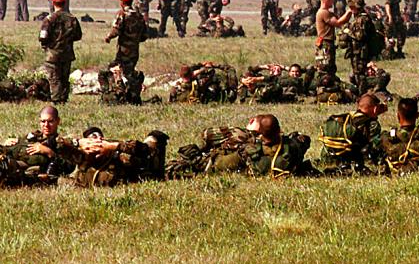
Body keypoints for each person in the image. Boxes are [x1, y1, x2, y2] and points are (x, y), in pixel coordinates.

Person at [167, 114, 312, 179]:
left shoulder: (249, 150)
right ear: (279, 130)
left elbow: (219, 165)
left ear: (260, 132)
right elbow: (305, 140)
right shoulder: (293, 146)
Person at [56, 127, 169, 187]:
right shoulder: (81, 157)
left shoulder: (117, 156)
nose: (97, 142)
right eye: (92, 139)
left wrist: (114, 146)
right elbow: (57, 144)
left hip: (147, 169)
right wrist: (78, 142)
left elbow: (144, 150)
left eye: (100, 139)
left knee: (154, 140)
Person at [0, 106, 76, 186]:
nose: (46, 125)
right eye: (43, 121)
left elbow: (69, 167)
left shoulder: (62, 143)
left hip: (23, 171)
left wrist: (49, 152)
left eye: (50, 121)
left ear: (58, 121)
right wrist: (8, 144)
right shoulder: (33, 136)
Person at [317, 93, 386, 175]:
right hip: (351, 161)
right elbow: (374, 146)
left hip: (327, 159)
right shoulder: (372, 124)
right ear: (375, 109)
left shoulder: (344, 119)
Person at [102, 0, 148, 105]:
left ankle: (121, 96)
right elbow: (144, 35)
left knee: (116, 70)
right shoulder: (139, 15)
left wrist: (108, 37)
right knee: (129, 71)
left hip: (123, 50)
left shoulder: (122, 14)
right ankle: (132, 95)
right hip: (135, 50)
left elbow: (116, 29)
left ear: (122, 2)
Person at [38, 0, 82, 103]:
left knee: (54, 78)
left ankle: (56, 100)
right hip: (67, 53)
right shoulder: (72, 19)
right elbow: (78, 35)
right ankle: (64, 99)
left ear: (53, 3)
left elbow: (43, 37)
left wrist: (47, 45)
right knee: (64, 78)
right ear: (64, 3)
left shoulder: (49, 19)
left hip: (52, 54)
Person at [312, 0, 353, 87]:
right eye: (332, 0)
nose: (333, 3)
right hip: (325, 44)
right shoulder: (324, 13)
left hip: (327, 43)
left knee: (330, 67)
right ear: (326, 0)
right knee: (325, 67)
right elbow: (338, 23)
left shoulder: (326, 12)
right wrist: (349, 12)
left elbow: (340, 21)